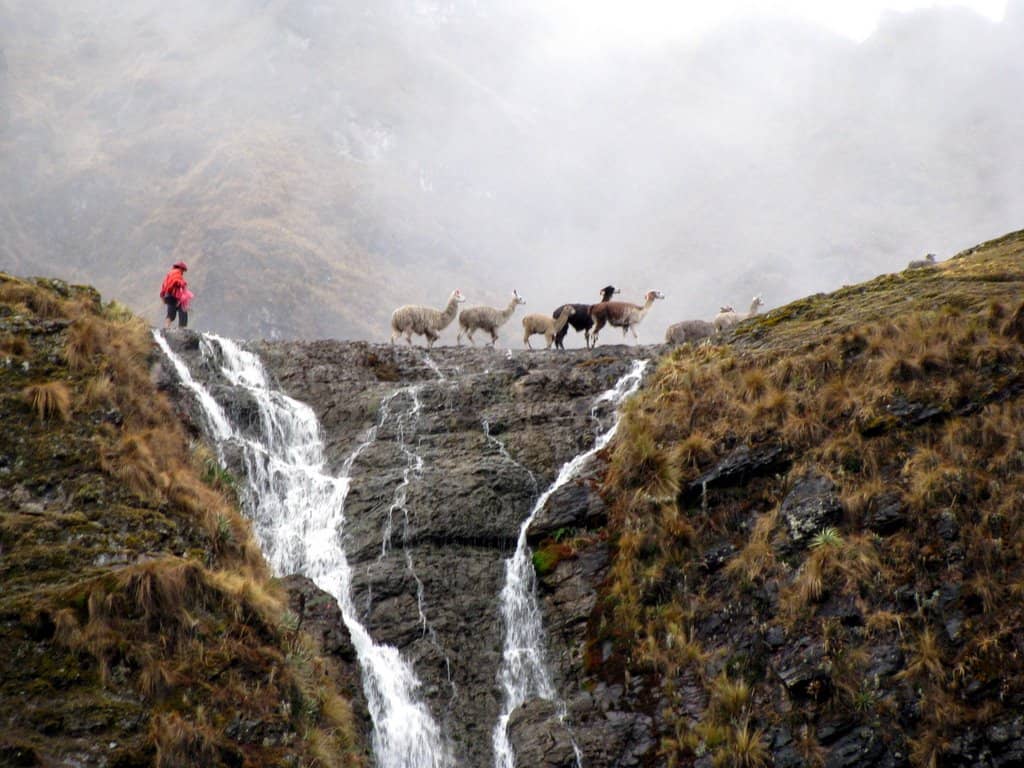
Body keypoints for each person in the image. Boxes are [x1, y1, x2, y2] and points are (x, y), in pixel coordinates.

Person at [160, 261, 191, 328]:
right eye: (183, 270)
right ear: (181, 268)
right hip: (173, 296)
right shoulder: (177, 272)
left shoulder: (169, 274)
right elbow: (177, 281)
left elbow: (164, 286)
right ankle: (182, 329)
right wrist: (183, 283)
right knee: (183, 310)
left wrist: (162, 296)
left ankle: (166, 328)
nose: (183, 273)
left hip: (168, 296)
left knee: (171, 314)